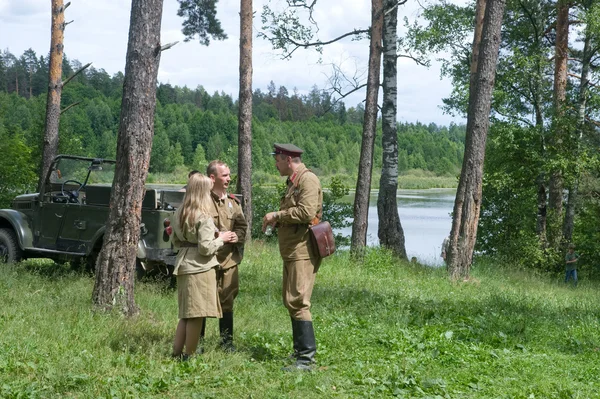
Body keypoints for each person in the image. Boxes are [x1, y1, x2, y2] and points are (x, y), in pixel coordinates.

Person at [262, 143, 323, 371]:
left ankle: (306, 359)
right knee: (291, 299)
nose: (275, 165)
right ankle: (299, 352)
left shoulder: (307, 180)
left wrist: (277, 214)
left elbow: (307, 212)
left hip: (303, 249)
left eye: (277, 160)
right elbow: (296, 213)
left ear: (288, 159)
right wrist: (281, 219)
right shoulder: (293, 182)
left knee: (298, 300)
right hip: (292, 249)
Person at [170, 173, 234, 360]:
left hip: (183, 264)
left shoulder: (179, 212)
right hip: (199, 267)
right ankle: (188, 355)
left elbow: (175, 241)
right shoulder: (203, 217)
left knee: (185, 314)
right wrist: (221, 239)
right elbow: (206, 249)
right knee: (197, 314)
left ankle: (176, 353)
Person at [202, 160, 248, 351]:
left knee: (227, 300)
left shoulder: (232, 202)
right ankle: (198, 342)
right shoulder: (202, 201)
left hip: (229, 260)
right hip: (207, 260)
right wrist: (217, 236)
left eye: (229, 175)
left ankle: (227, 343)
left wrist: (237, 236)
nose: (229, 178)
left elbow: (242, 226)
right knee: (202, 301)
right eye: (225, 175)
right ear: (213, 178)